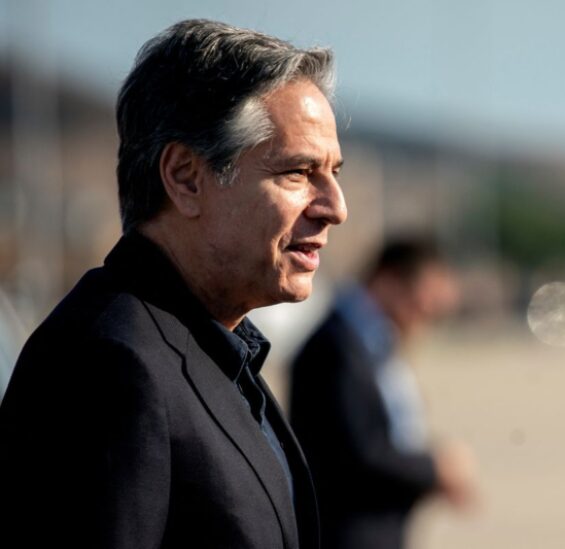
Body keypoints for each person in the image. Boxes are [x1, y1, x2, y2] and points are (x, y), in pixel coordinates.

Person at [0, 19, 346, 549]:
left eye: (334, 173)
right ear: (186, 177)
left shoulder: (214, 347)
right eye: (298, 172)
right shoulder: (110, 364)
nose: (334, 209)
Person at [289, 238, 477, 549]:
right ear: (389, 283)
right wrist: (435, 469)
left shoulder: (369, 343)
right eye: (421, 303)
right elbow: (358, 452)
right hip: (348, 533)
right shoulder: (335, 349)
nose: (425, 318)